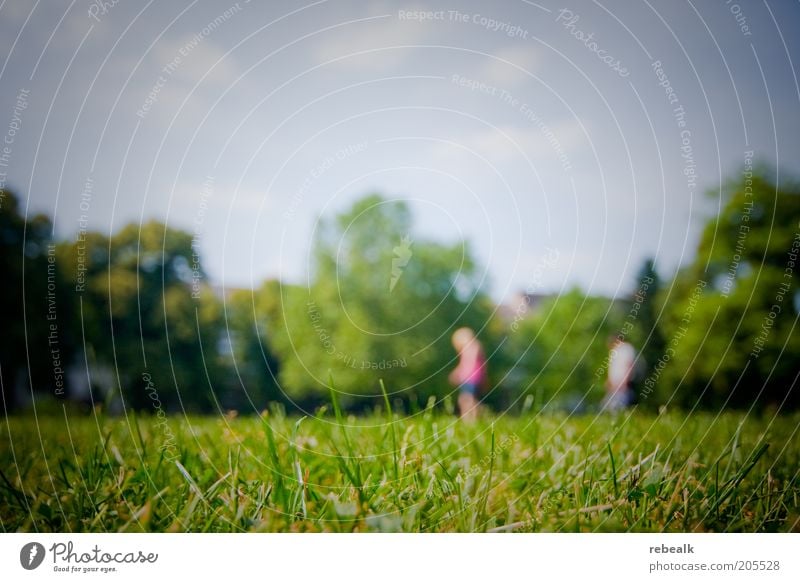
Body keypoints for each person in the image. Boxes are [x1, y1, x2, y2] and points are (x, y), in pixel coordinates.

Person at [448, 327, 486, 422]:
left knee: (466, 399)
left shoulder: (472, 346)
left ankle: (469, 420)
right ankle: (471, 419)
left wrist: (464, 373)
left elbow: (469, 362)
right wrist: (456, 373)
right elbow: (464, 364)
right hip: (471, 377)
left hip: (471, 377)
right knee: (468, 399)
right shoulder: (471, 346)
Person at [602, 336, 636, 412]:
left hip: (623, 384)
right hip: (614, 385)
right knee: (609, 405)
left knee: (621, 404)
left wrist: (624, 382)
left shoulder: (626, 349)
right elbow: (612, 368)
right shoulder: (614, 351)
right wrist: (609, 381)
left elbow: (629, 366)